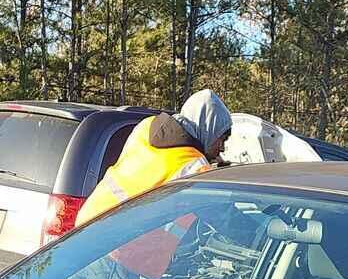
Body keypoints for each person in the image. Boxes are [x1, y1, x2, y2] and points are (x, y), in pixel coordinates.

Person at [74, 89, 232, 228]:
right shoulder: (195, 166)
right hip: (122, 246)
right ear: (209, 129)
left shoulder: (146, 126)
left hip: (88, 223)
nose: (222, 147)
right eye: (221, 139)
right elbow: (219, 216)